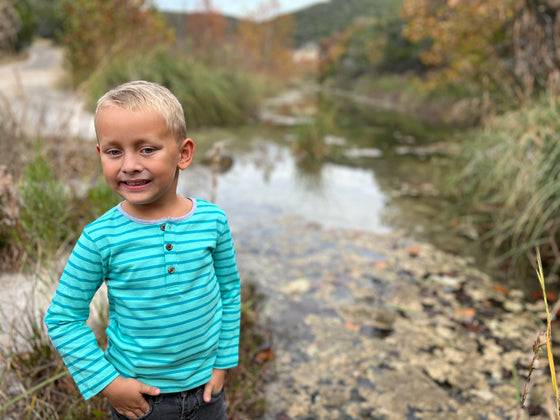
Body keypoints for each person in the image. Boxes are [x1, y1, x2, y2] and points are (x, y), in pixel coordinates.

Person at [44, 80, 241, 420]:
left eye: (147, 149)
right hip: (143, 402)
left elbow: (229, 290)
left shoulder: (212, 221)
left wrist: (223, 363)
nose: (130, 164)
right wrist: (108, 383)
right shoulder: (100, 238)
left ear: (184, 153)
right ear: (100, 154)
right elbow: (63, 318)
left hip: (208, 394)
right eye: (114, 151)